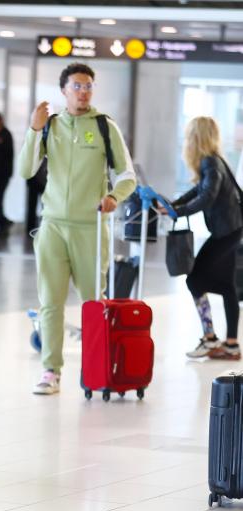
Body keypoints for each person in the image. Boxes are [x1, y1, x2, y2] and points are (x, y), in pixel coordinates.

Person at [19, 63, 136, 395]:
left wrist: (113, 197)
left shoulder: (104, 126)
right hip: (53, 226)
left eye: (88, 86)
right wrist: (33, 129)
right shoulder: (50, 126)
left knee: (93, 303)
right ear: (64, 91)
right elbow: (26, 170)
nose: (83, 92)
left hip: (91, 228)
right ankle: (50, 372)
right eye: (77, 86)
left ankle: (96, 369)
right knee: (50, 303)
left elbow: (127, 175)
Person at [157, 117, 243, 360]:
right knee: (227, 286)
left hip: (226, 233)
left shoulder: (210, 163)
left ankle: (210, 338)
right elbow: (198, 190)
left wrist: (178, 212)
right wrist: (175, 205)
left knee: (194, 279)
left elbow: (206, 197)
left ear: (195, 138)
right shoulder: (216, 161)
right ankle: (231, 345)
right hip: (232, 230)